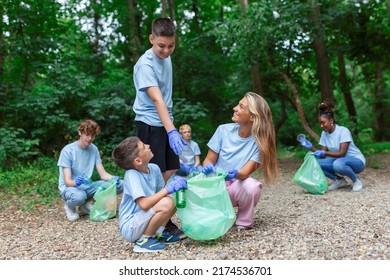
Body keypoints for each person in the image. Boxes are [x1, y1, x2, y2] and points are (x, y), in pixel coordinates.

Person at [132, 17, 187, 237]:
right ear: (151, 39)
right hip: (149, 123)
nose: (166, 51)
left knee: (171, 169)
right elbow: (157, 101)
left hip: (165, 121)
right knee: (155, 172)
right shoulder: (145, 64)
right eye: (161, 46)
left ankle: (158, 216)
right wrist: (172, 130)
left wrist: (170, 127)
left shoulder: (167, 56)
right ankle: (156, 223)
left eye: (171, 45)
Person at [202, 92, 279, 230]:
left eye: (241, 106)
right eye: (238, 104)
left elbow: (244, 173)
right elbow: (208, 160)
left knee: (252, 186)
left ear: (252, 117)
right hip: (215, 186)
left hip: (234, 187)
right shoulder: (223, 130)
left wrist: (233, 174)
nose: (235, 108)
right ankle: (219, 212)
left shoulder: (260, 144)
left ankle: (243, 221)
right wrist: (208, 170)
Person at [112, 136, 187, 252]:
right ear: (138, 161)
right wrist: (168, 188)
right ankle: (144, 240)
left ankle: (158, 234)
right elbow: (144, 204)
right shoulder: (131, 175)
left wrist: (175, 187)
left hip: (145, 219)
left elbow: (162, 195)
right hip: (131, 226)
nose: (148, 145)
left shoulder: (154, 168)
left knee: (173, 198)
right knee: (167, 202)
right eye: (144, 147)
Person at [57, 119, 123, 222]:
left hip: (87, 186)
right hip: (70, 188)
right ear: (80, 132)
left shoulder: (94, 149)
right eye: (87, 134)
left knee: (120, 185)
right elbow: (67, 181)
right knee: (79, 196)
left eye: (93, 135)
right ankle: (70, 207)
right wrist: (75, 182)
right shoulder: (68, 151)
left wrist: (113, 178)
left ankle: (85, 205)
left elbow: (103, 174)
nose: (90, 138)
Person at [299, 101, 366, 192]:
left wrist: (324, 152)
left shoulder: (343, 131)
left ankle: (356, 181)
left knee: (337, 164)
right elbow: (322, 155)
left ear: (331, 120)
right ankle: (339, 180)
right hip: (339, 161)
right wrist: (310, 146)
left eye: (323, 122)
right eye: (320, 123)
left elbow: (342, 153)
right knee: (315, 163)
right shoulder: (324, 133)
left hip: (357, 162)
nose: (321, 126)